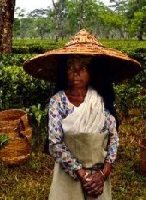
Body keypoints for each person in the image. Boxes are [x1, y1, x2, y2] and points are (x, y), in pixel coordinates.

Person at [23, 29, 141, 200]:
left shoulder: (101, 100)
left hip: (98, 179)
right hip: (69, 176)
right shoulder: (59, 102)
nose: (75, 72)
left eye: (82, 68)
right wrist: (82, 174)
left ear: (92, 72)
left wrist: (103, 173)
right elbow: (55, 143)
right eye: (71, 67)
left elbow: (113, 138)